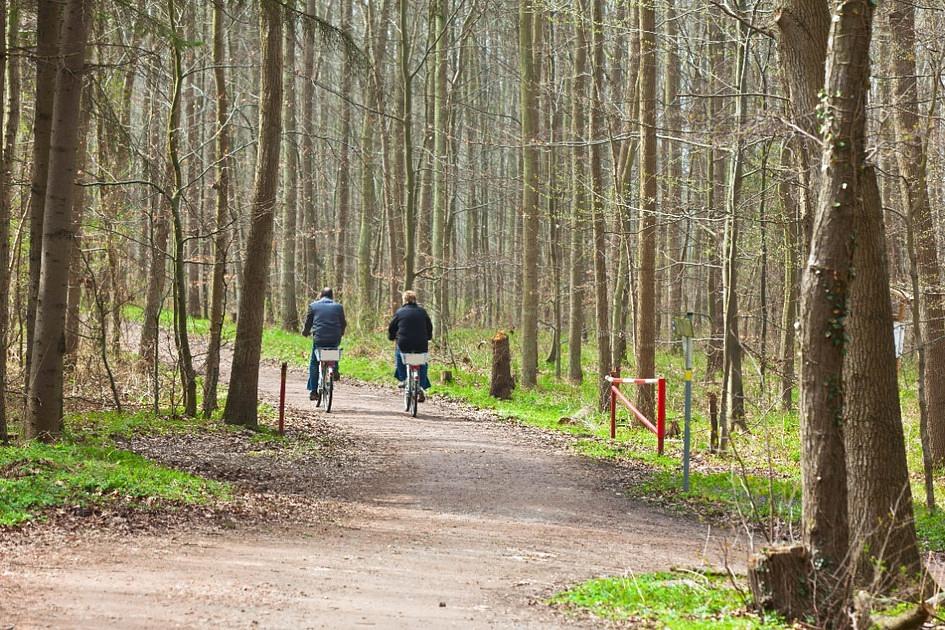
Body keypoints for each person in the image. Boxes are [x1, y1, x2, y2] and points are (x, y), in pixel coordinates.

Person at [302, 287, 347, 402]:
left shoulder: (313, 306)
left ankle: (313, 391)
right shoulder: (338, 307)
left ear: (320, 295)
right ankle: (335, 369)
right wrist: (340, 333)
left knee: (314, 362)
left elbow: (308, 323)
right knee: (333, 349)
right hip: (334, 338)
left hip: (319, 339)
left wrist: (305, 333)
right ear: (332, 296)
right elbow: (343, 323)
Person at [388, 290, 433, 401]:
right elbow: (429, 327)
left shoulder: (400, 312)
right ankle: (421, 386)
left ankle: (403, 379)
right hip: (421, 343)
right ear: (415, 300)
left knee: (399, 355)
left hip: (404, 343)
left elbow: (392, 327)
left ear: (404, 300)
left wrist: (392, 337)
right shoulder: (422, 312)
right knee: (422, 361)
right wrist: (428, 337)